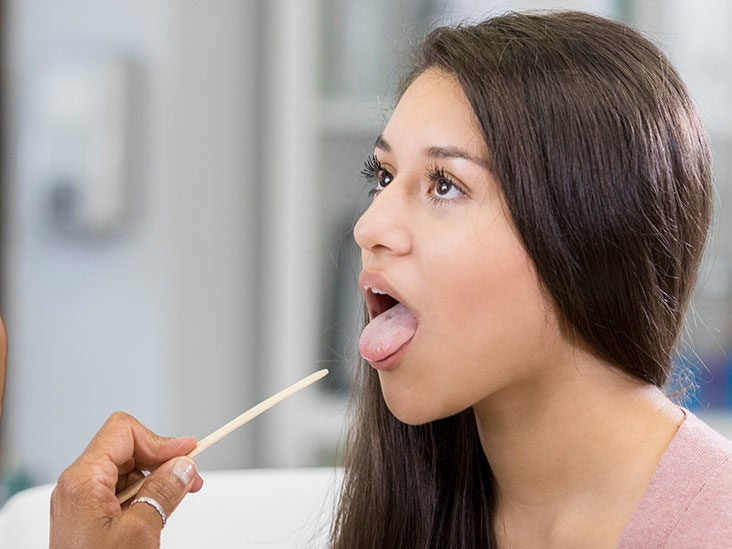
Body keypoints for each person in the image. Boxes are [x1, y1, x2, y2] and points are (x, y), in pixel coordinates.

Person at [49, 10, 731, 548]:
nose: (370, 225)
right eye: (382, 176)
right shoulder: (424, 505)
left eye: (443, 183)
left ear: (588, 227)